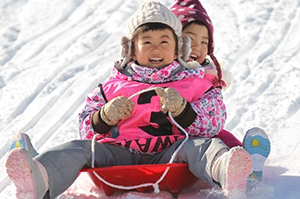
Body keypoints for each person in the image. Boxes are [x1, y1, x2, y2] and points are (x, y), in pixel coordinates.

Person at [6, 1, 253, 199]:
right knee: (76, 149)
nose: (156, 49)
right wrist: (104, 116)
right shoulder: (113, 85)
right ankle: (39, 178)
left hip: (171, 152)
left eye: (164, 42)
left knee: (204, 146)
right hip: (117, 153)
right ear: (131, 49)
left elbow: (214, 122)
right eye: (147, 42)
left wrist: (183, 110)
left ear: (178, 48)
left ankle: (225, 170)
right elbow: (84, 125)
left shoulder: (193, 82)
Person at [170, 0, 271, 185]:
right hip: (168, 137)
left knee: (223, 139)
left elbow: (214, 115)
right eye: (190, 39)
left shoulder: (209, 77)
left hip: (201, 131)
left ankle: (246, 164)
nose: (197, 47)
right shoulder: (160, 72)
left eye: (204, 42)